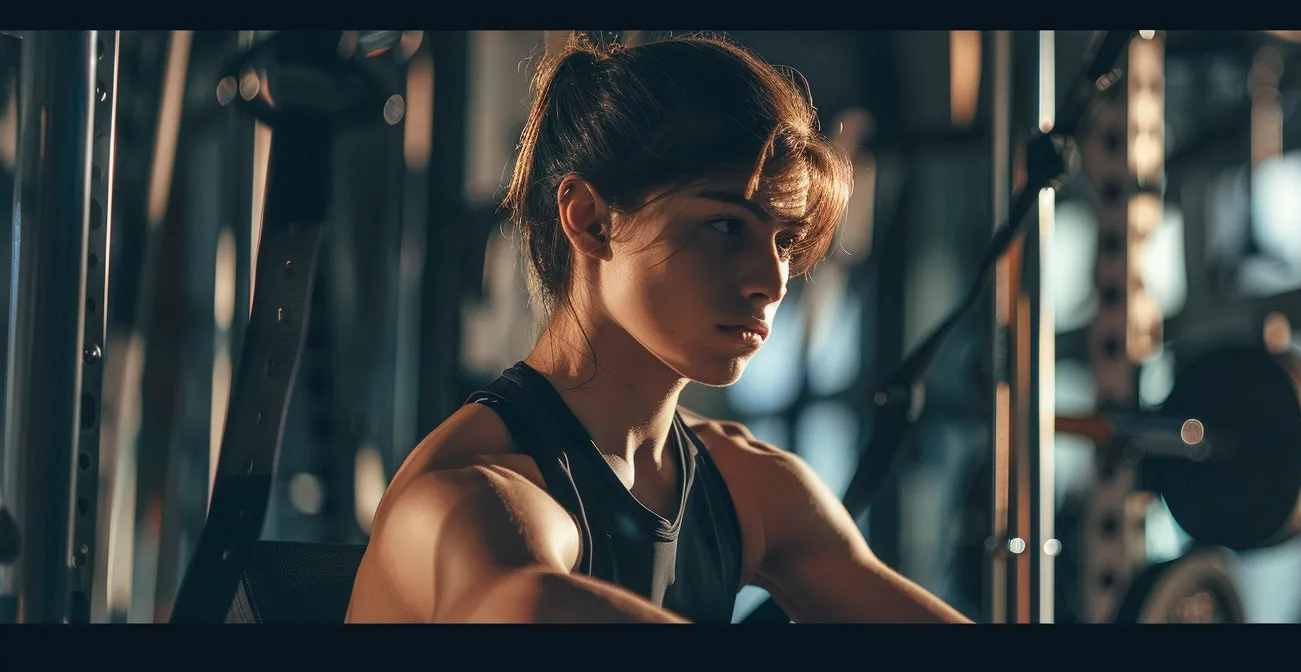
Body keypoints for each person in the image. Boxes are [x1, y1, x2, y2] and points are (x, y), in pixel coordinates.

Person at [344, 32, 971, 624]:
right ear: (591, 221)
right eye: (727, 227)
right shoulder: (471, 492)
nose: (773, 282)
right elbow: (521, 608)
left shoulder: (748, 485)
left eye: (784, 241)